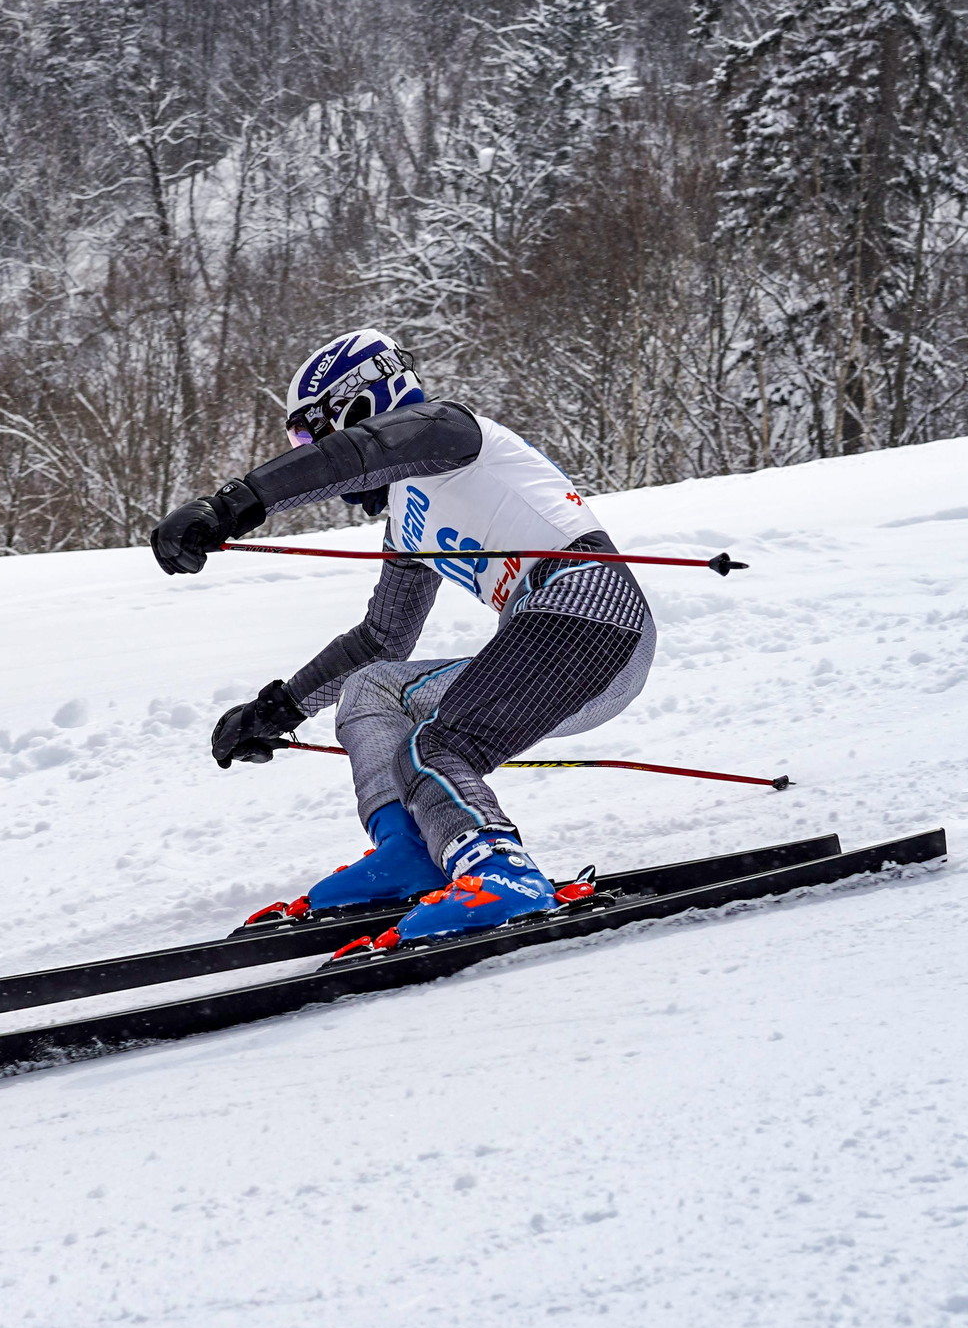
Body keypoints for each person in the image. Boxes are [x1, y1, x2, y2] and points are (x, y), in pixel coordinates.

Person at [150, 329, 656, 946]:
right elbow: (381, 639)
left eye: (310, 436)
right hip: (550, 642)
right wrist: (278, 710)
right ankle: (411, 853)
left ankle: (503, 873)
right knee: (372, 689)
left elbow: (360, 454)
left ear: (359, 404)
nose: (309, 451)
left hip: (591, 614)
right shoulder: (407, 518)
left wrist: (232, 505)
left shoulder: (451, 431)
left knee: (434, 749)